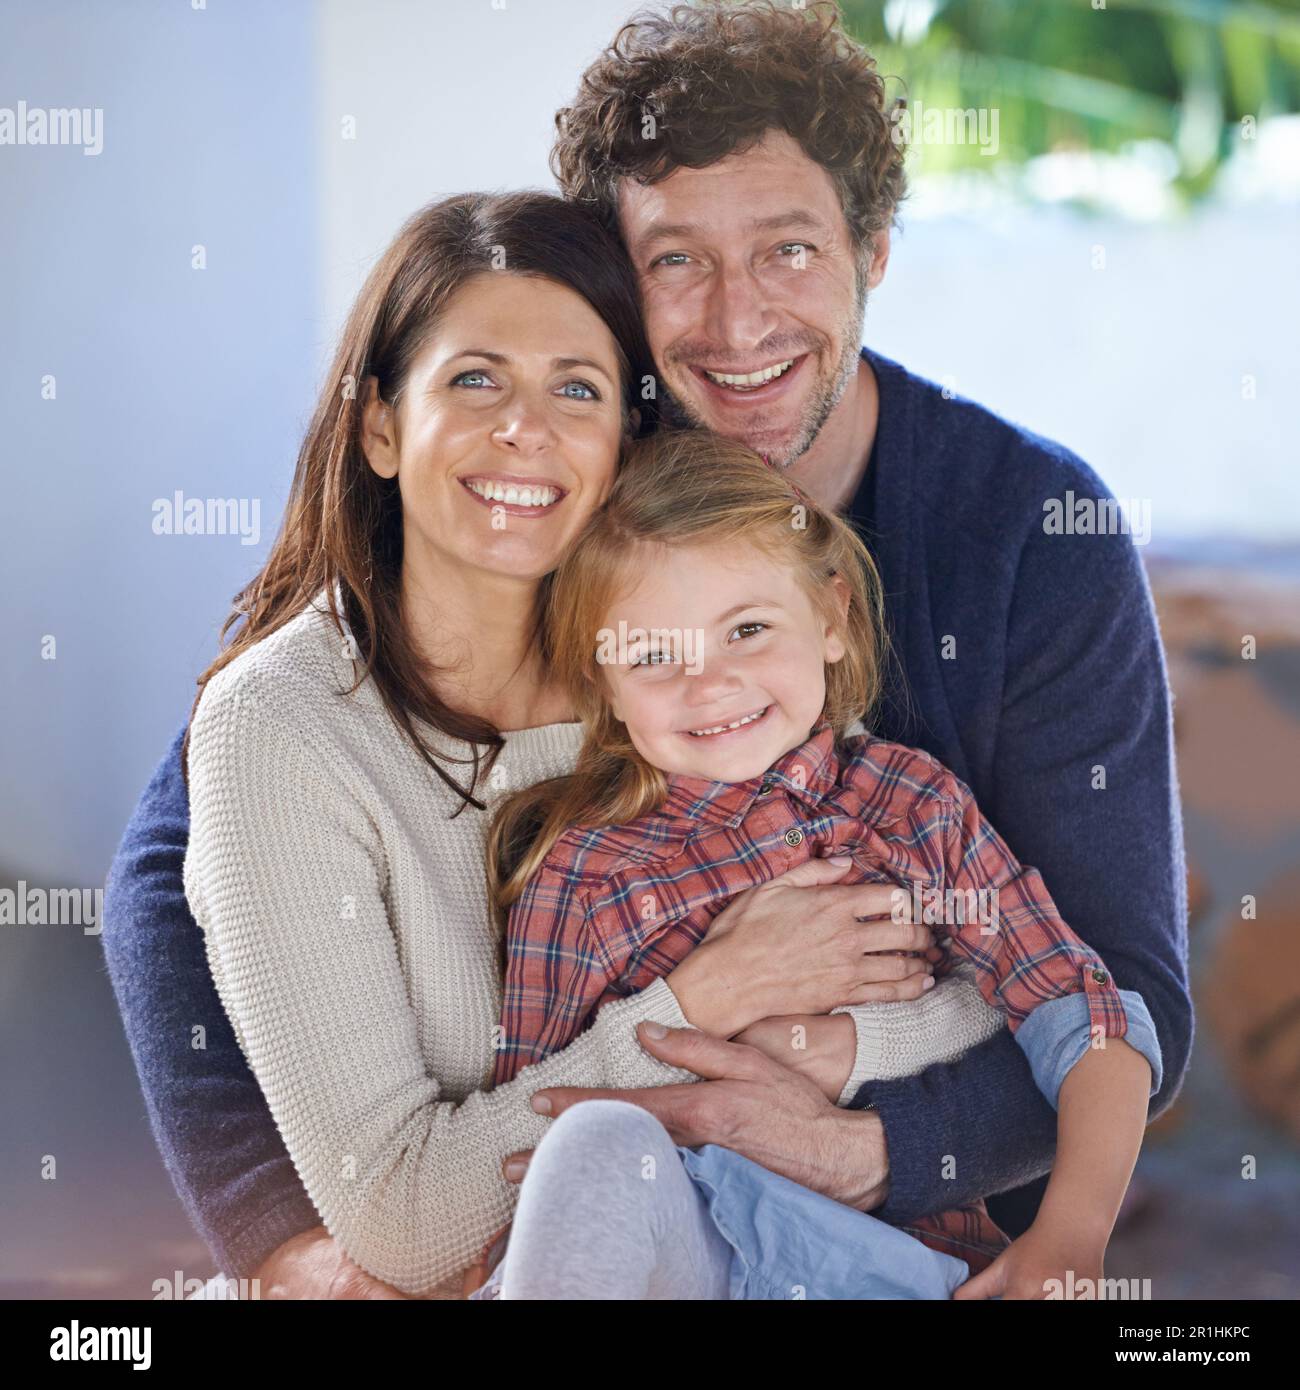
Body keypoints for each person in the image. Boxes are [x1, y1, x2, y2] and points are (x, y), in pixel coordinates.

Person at [103, 1, 1190, 1296]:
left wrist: (869, 1139)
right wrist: (285, 1240)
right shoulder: (570, 480)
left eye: (788, 248)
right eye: (676, 261)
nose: (736, 323)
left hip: (912, 1226)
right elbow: (173, 859)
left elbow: (1116, 988)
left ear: (875, 251)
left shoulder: (1031, 537)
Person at [475, 430, 1161, 1300]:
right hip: (689, 1261)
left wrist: (1069, 1237)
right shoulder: (582, 873)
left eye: (749, 630)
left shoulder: (908, 806)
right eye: (652, 656)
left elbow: (1086, 1015)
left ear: (831, 618)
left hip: (885, 1270)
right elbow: (537, 1145)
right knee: (587, 1147)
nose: (711, 683)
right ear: (601, 684)